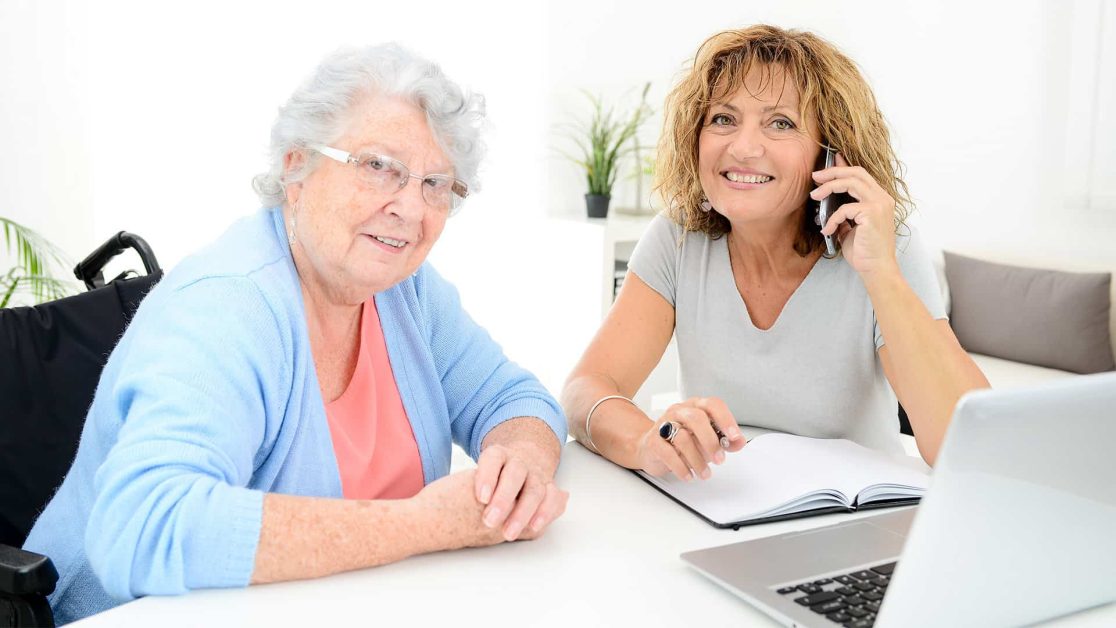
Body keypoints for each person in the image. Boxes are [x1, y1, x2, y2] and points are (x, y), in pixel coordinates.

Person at [24, 43, 568, 624]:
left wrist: (519, 462)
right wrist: (424, 525)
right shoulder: (227, 303)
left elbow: (516, 400)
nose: (410, 207)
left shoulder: (404, 291)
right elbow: (144, 526)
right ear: (296, 168)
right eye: (379, 166)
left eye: (436, 183)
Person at [561, 25, 989, 482]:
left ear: (831, 155)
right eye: (723, 119)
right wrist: (649, 439)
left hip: (852, 520)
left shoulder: (886, 245)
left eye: (780, 123)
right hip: (723, 510)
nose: (743, 148)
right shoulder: (678, 240)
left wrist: (880, 272)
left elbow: (969, 448)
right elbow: (585, 390)